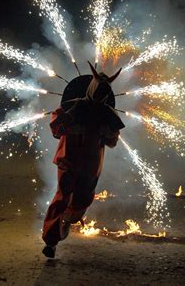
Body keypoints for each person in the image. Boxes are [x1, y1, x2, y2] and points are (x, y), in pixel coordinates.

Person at [42, 62, 124, 258]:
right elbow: (55, 126)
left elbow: (113, 140)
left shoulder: (108, 115)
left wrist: (106, 134)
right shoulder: (72, 106)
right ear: (92, 88)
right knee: (62, 197)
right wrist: (68, 127)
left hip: (90, 166)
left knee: (83, 199)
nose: (99, 98)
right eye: (97, 92)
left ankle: (68, 220)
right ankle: (51, 242)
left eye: (103, 95)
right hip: (68, 160)